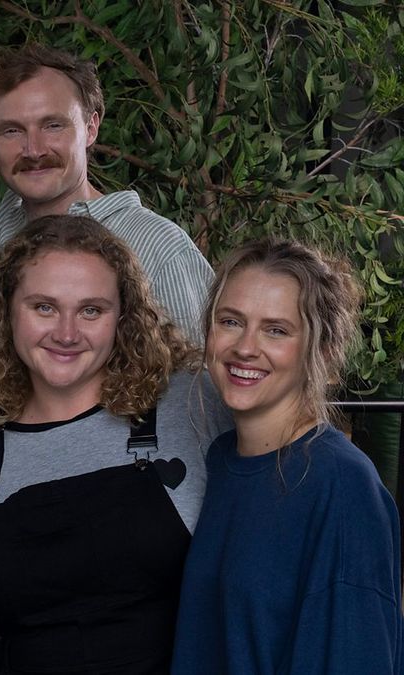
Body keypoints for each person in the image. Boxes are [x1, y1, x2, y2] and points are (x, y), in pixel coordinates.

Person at [0, 215, 228, 673]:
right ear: (5, 311)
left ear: (124, 316)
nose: (66, 333)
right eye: (43, 307)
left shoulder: (191, 402)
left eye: (91, 310)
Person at [172, 240, 402, 674]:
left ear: (324, 350)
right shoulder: (220, 461)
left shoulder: (341, 487)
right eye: (230, 321)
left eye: (276, 329)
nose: (245, 347)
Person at [0, 43, 212, 344]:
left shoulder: (159, 247)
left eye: (53, 125)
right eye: (12, 131)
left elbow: (201, 382)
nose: (33, 150)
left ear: (91, 128)